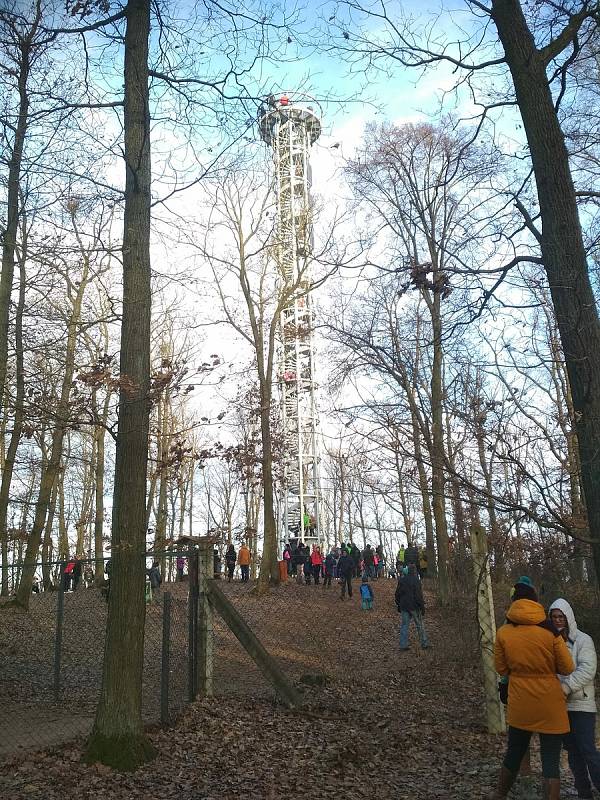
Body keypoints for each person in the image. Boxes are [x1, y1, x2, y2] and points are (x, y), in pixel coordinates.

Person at [488, 577, 574, 800]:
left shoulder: (504, 632)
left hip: (520, 703)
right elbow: (567, 667)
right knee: (550, 762)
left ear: (514, 601)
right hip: (549, 704)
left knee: (514, 754)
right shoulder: (551, 631)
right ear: (535, 601)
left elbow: (501, 668)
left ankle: (499, 796)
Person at [548, 598, 600, 799]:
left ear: (568, 617)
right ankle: (584, 792)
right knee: (573, 752)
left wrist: (566, 687)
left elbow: (588, 669)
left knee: (588, 750)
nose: (558, 620)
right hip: (561, 706)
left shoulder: (583, 640)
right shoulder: (551, 641)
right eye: (554, 617)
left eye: (561, 617)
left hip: (582, 705)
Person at [395, 564, 429, 650]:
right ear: (414, 571)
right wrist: (422, 607)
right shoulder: (416, 580)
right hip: (414, 606)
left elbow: (397, 594)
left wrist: (399, 604)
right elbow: (419, 596)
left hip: (404, 606)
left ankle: (403, 645)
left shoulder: (402, 580)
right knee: (420, 625)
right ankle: (424, 643)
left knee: (404, 626)